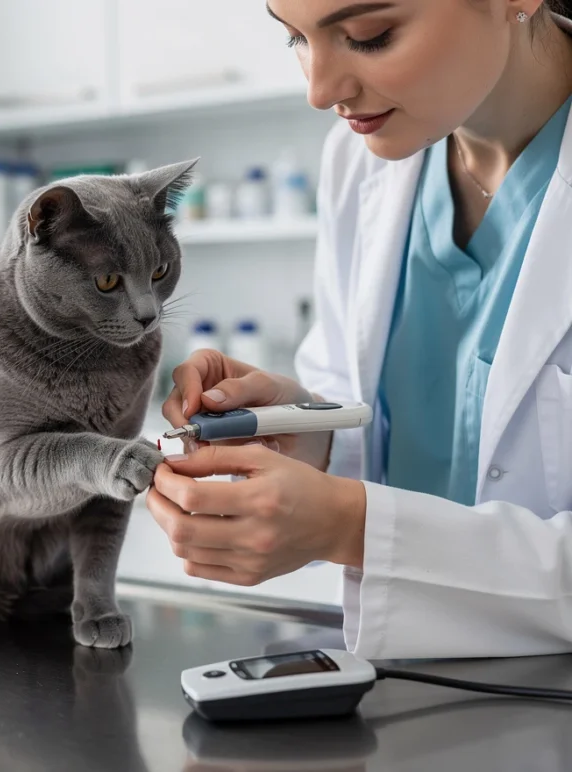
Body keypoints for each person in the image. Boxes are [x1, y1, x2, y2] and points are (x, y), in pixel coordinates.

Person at [148, 0, 572, 660]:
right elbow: (376, 417)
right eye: (293, 38)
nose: (320, 91)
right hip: (410, 695)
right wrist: (303, 430)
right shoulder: (363, 161)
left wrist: (350, 526)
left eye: (368, 36)